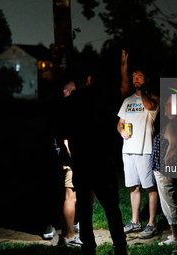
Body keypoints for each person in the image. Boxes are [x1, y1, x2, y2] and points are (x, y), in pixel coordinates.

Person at [54, 50, 132, 255]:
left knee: (86, 212)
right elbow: (124, 91)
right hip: (103, 164)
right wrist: (123, 67)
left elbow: (63, 137)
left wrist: (74, 161)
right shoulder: (99, 98)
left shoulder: (66, 105)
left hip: (81, 166)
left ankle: (88, 247)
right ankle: (120, 247)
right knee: (112, 210)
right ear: (89, 79)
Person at [117, 61, 160, 239]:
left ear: (147, 79)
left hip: (145, 150)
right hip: (128, 150)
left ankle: (151, 223)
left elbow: (149, 107)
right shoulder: (127, 101)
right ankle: (135, 222)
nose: (135, 80)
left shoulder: (154, 99)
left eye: (139, 77)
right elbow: (120, 123)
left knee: (150, 187)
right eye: (134, 77)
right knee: (133, 187)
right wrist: (121, 132)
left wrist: (143, 91)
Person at [151, 96, 177, 246]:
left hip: (166, 171)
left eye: (169, 105)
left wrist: (167, 161)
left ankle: (175, 237)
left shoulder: (172, 125)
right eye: (166, 104)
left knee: (169, 203)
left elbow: (173, 145)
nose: (166, 107)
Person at [56, 80, 83, 247]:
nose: (76, 93)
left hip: (68, 158)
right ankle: (69, 237)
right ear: (67, 91)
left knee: (69, 196)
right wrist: (74, 158)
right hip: (70, 159)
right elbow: (66, 139)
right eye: (74, 90)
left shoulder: (62, 108)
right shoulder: (66, 108)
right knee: (70, 197)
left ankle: (66, 234)